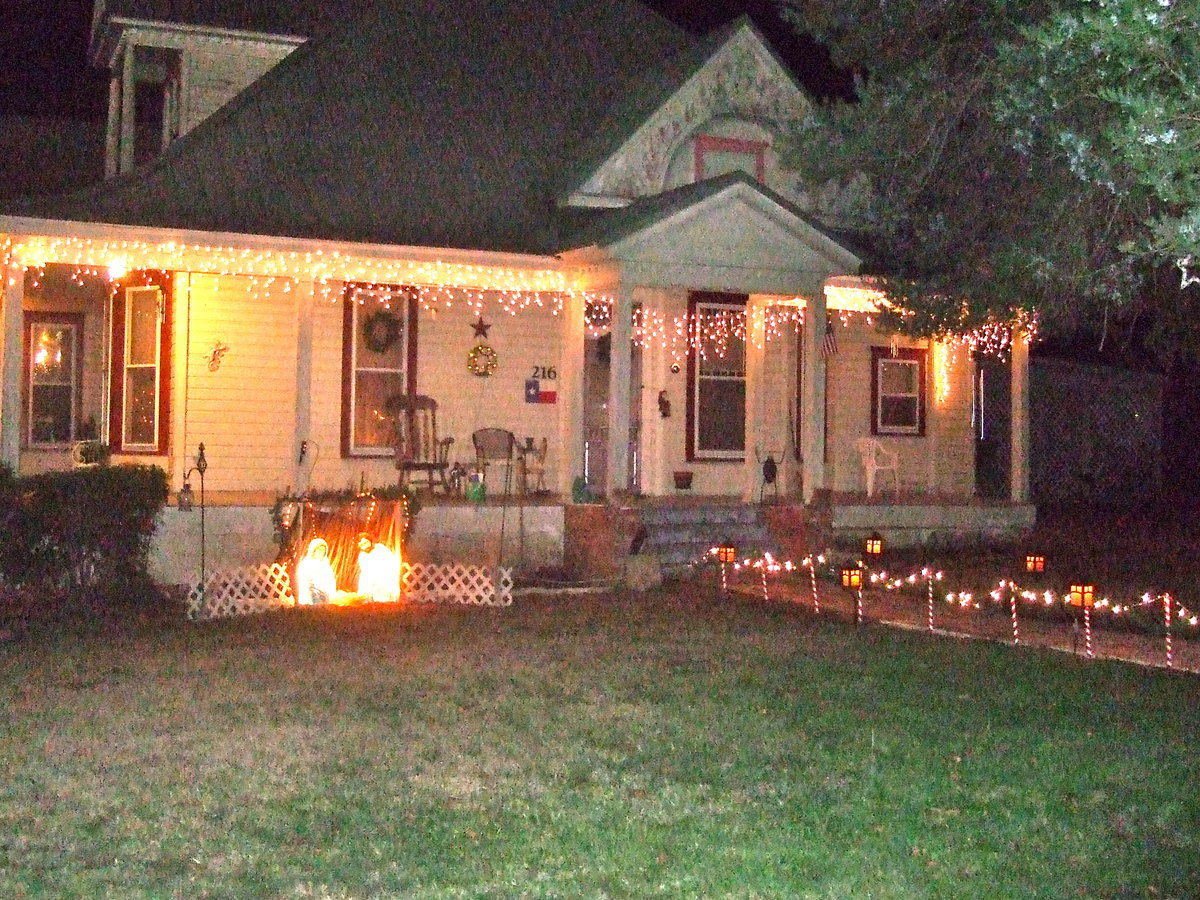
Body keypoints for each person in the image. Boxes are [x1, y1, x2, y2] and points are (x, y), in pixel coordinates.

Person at [356, 534, 401, 603]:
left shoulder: (380, 550)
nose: (364, 546)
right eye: (361, 545)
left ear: (370, 542)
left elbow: (390, 565)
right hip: (369, 578)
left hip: (383, 578)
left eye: (365, 543)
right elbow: (365, 569)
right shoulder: (362, 555)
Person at [295, 538, 337, 605]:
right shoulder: (307, 563)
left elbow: (331, 580)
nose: (321, 552)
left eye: (323, 550)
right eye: (319, 550)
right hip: (312, 594)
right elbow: (304, 580)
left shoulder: (325, 564)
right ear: (314, 550)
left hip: (325, 595)